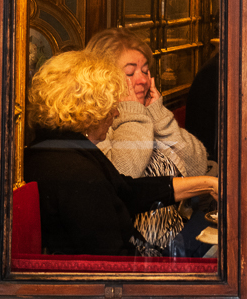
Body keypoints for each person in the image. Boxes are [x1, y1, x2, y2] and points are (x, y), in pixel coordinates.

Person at [24, 50, 219, 257]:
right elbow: (114, 263)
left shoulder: (58, 148)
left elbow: (125, 189)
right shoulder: (74, 171)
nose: (116, 113)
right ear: (90, 109)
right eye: (112, 106)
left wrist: (207, 184)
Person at [86, 28, 213, 256]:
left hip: (180, 241)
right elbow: (124, 177)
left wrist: (160, 118)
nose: (143, 80)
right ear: (102, 79)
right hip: (140, 256)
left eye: (145, 71)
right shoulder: (99, 128)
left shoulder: (147, 116)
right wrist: (131, 111)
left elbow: (198, 165)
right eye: (130, 73)